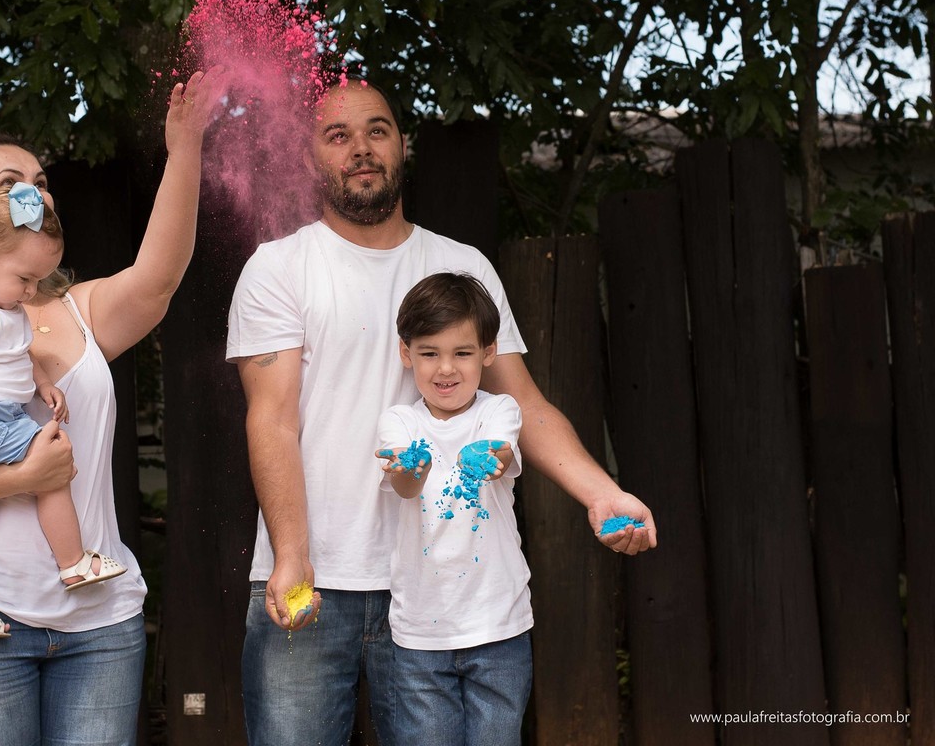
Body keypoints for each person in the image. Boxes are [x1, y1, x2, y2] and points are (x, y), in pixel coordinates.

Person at [226, 76, 657, 745]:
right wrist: (291, 552)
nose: (361, 148)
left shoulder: (462, 266)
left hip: (436, 589)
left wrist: (601, 493)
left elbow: (524, 403)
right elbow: (272, 419)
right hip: (311, 575)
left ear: (402, 145)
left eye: (377, 130)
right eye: (338, 135)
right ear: (313, 157)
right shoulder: (279, 268)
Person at [0, 66, 224, 744]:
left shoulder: (76, 310)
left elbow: (159, 279)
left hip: (98, 627)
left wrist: (186, 149)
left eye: (42, 180)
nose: (34, 190)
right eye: (9, 182)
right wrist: (19, 480)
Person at [0, 183, 126, 638]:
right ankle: (73, 562)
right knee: (52, 463)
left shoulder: (1, 300)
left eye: (39, 280)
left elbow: (18, 353)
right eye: (25, 279)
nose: (33, 290)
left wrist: (44, 383)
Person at [375, 271, 530, 745]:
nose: (446, 369)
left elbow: (499, 457)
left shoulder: (498, 411)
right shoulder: (398, 422)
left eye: (462, 353)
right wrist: (410, 468)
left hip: (499, 626)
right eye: (429, 354)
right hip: (421, 635)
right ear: (407, 354)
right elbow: (404, 487)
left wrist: (484, 457)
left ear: (488, 351)